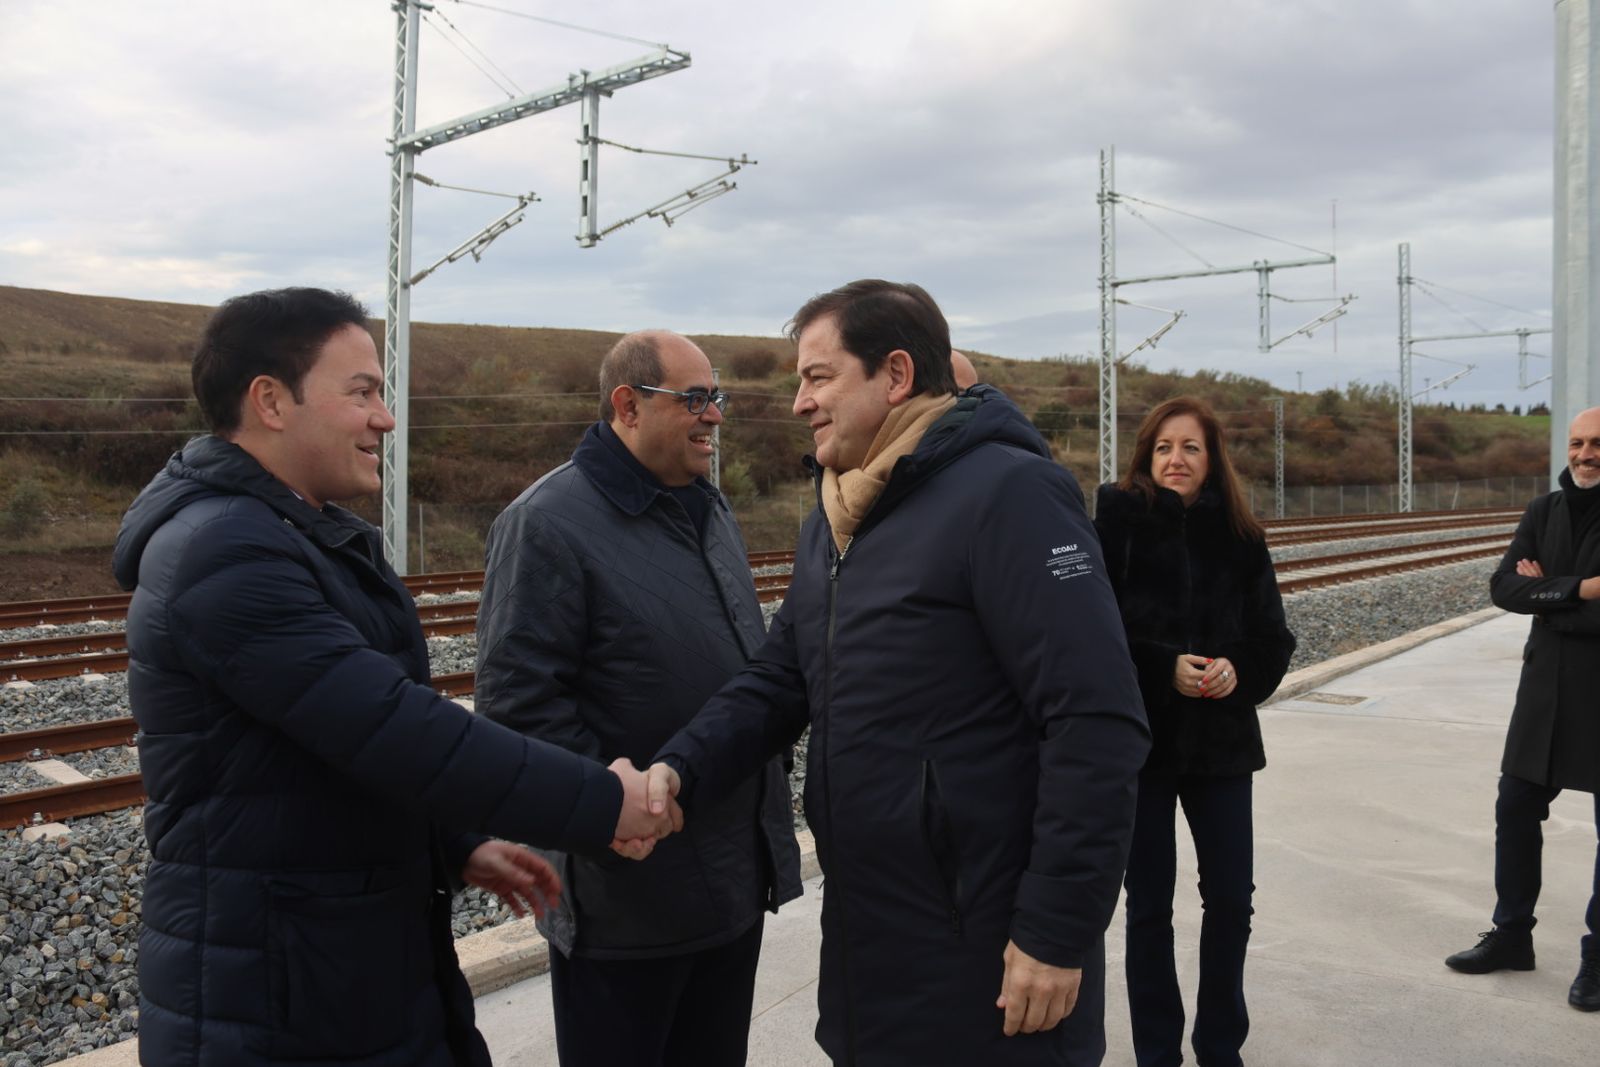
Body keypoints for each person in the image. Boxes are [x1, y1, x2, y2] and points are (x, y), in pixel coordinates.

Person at [112, 287, 675, 1067]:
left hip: (337, 965)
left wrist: (453, 841)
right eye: (364, 392)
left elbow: (332, 756)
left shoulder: (297, 533)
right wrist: (603, 799)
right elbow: (396, 727)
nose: (385, 417)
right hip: (273, 1002)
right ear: (271, 401)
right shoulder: (221, 554)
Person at [642, 279, 1151, 1066]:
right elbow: (783, 676)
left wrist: (1055, 930)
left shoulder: (1010, 494)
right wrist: (682, 767)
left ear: (897, 375)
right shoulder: (838, 518)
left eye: (817, 377)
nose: (799, 403)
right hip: (870, 945)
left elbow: (1097, 721)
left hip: (983, 948)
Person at [475, 329, 802, 1067]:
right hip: (626, 901)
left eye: (715, 396)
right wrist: (611, 809)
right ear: (627, 404)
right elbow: (516, 708)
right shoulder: (545, 521)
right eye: (693, 398)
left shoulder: (707, 508)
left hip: (731, 882)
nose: (713, 414)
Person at [1092, 396, 1296, 1067]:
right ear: (1146, 455)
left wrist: (1237, 670)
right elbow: (1092, 635)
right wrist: (1162, 669)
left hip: (1221, 745)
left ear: (1213, 461)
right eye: (1164, 447)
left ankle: (1219, 1046)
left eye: (1191, 448)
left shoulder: (1241, 537)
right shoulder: (1115, 524)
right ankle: (1157, 1051)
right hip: (1142, 746)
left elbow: (1273, 639)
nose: (1176, 459)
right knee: (1148, 904)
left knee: (1232, 898)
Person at [1444, 405, 1600, 1012]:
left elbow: (1526, 590)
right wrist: (1581, 588)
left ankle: (1597, 958)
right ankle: (1512, 938)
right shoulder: (1543, 510)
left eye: (1598, 444)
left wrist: (1545, 591)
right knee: (1514, 809)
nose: (1586, 454)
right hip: (1544, 695)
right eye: (1578, 442)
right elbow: (1503, 587)